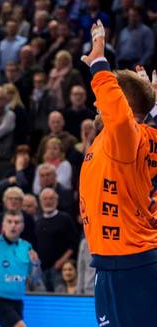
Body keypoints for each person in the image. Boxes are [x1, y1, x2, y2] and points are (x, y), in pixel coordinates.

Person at [79, 19, 157, 325]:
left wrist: (98, 61)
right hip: (121, 262)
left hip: (128, 265)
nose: (97, 107)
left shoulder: (123, 139)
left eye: (101, 104)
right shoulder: (143, 137)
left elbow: (120, 114)